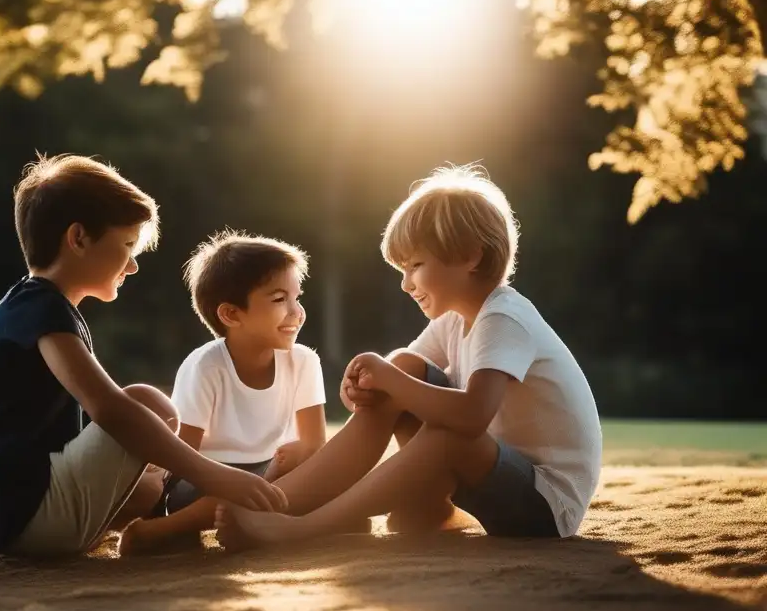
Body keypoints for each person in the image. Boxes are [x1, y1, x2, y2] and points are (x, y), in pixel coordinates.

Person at [214, 164, 602, 549]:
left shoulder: (503, 317)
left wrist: (389, 379)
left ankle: (299, 527)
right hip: (496, 477)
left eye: (416, 265)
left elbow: (471, 416)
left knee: (447, 431)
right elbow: (400, 379)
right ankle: (283, 503)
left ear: (471, 256)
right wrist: (364, 384)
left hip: (545, 504)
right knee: (404, 364)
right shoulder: (454, 320)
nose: (405, 283)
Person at [0, 155, 286, 557]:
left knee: (148, 488)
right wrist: (217, 476)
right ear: (78, 238)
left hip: (8, 521)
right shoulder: (44, 310)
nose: (132, 265)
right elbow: (109, 409)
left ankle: (157, 510)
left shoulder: (28, 305)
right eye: (127, 245)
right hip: (27, 520)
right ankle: (175, 508)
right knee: (146, 404)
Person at [119, 232, 327, 555]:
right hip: (204, 480)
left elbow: (315, 445)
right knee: (238, 496)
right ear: (231, 314)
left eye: (297, 297)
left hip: (271, 474)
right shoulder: (206, 366)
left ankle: (249, 522)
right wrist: (243, 481)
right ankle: (157, 531)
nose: (296, 311)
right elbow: (181, 457)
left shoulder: (305, 362)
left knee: (320, 484)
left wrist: (282, 464)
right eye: (278, 300)